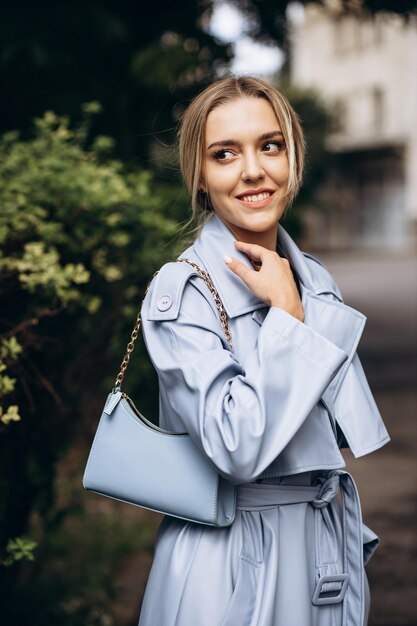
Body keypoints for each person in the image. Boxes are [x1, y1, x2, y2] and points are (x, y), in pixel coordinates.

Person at [137, 76, 390, 626]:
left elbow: (336, 434)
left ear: (292, 159)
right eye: (224, 154)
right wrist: (287, 320)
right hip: (226, 562)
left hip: (315, 548)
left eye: (269, 145)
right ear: (201, 179)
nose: (253, 170)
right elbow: (237, 448)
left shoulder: (311, 278)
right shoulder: (183, 293)